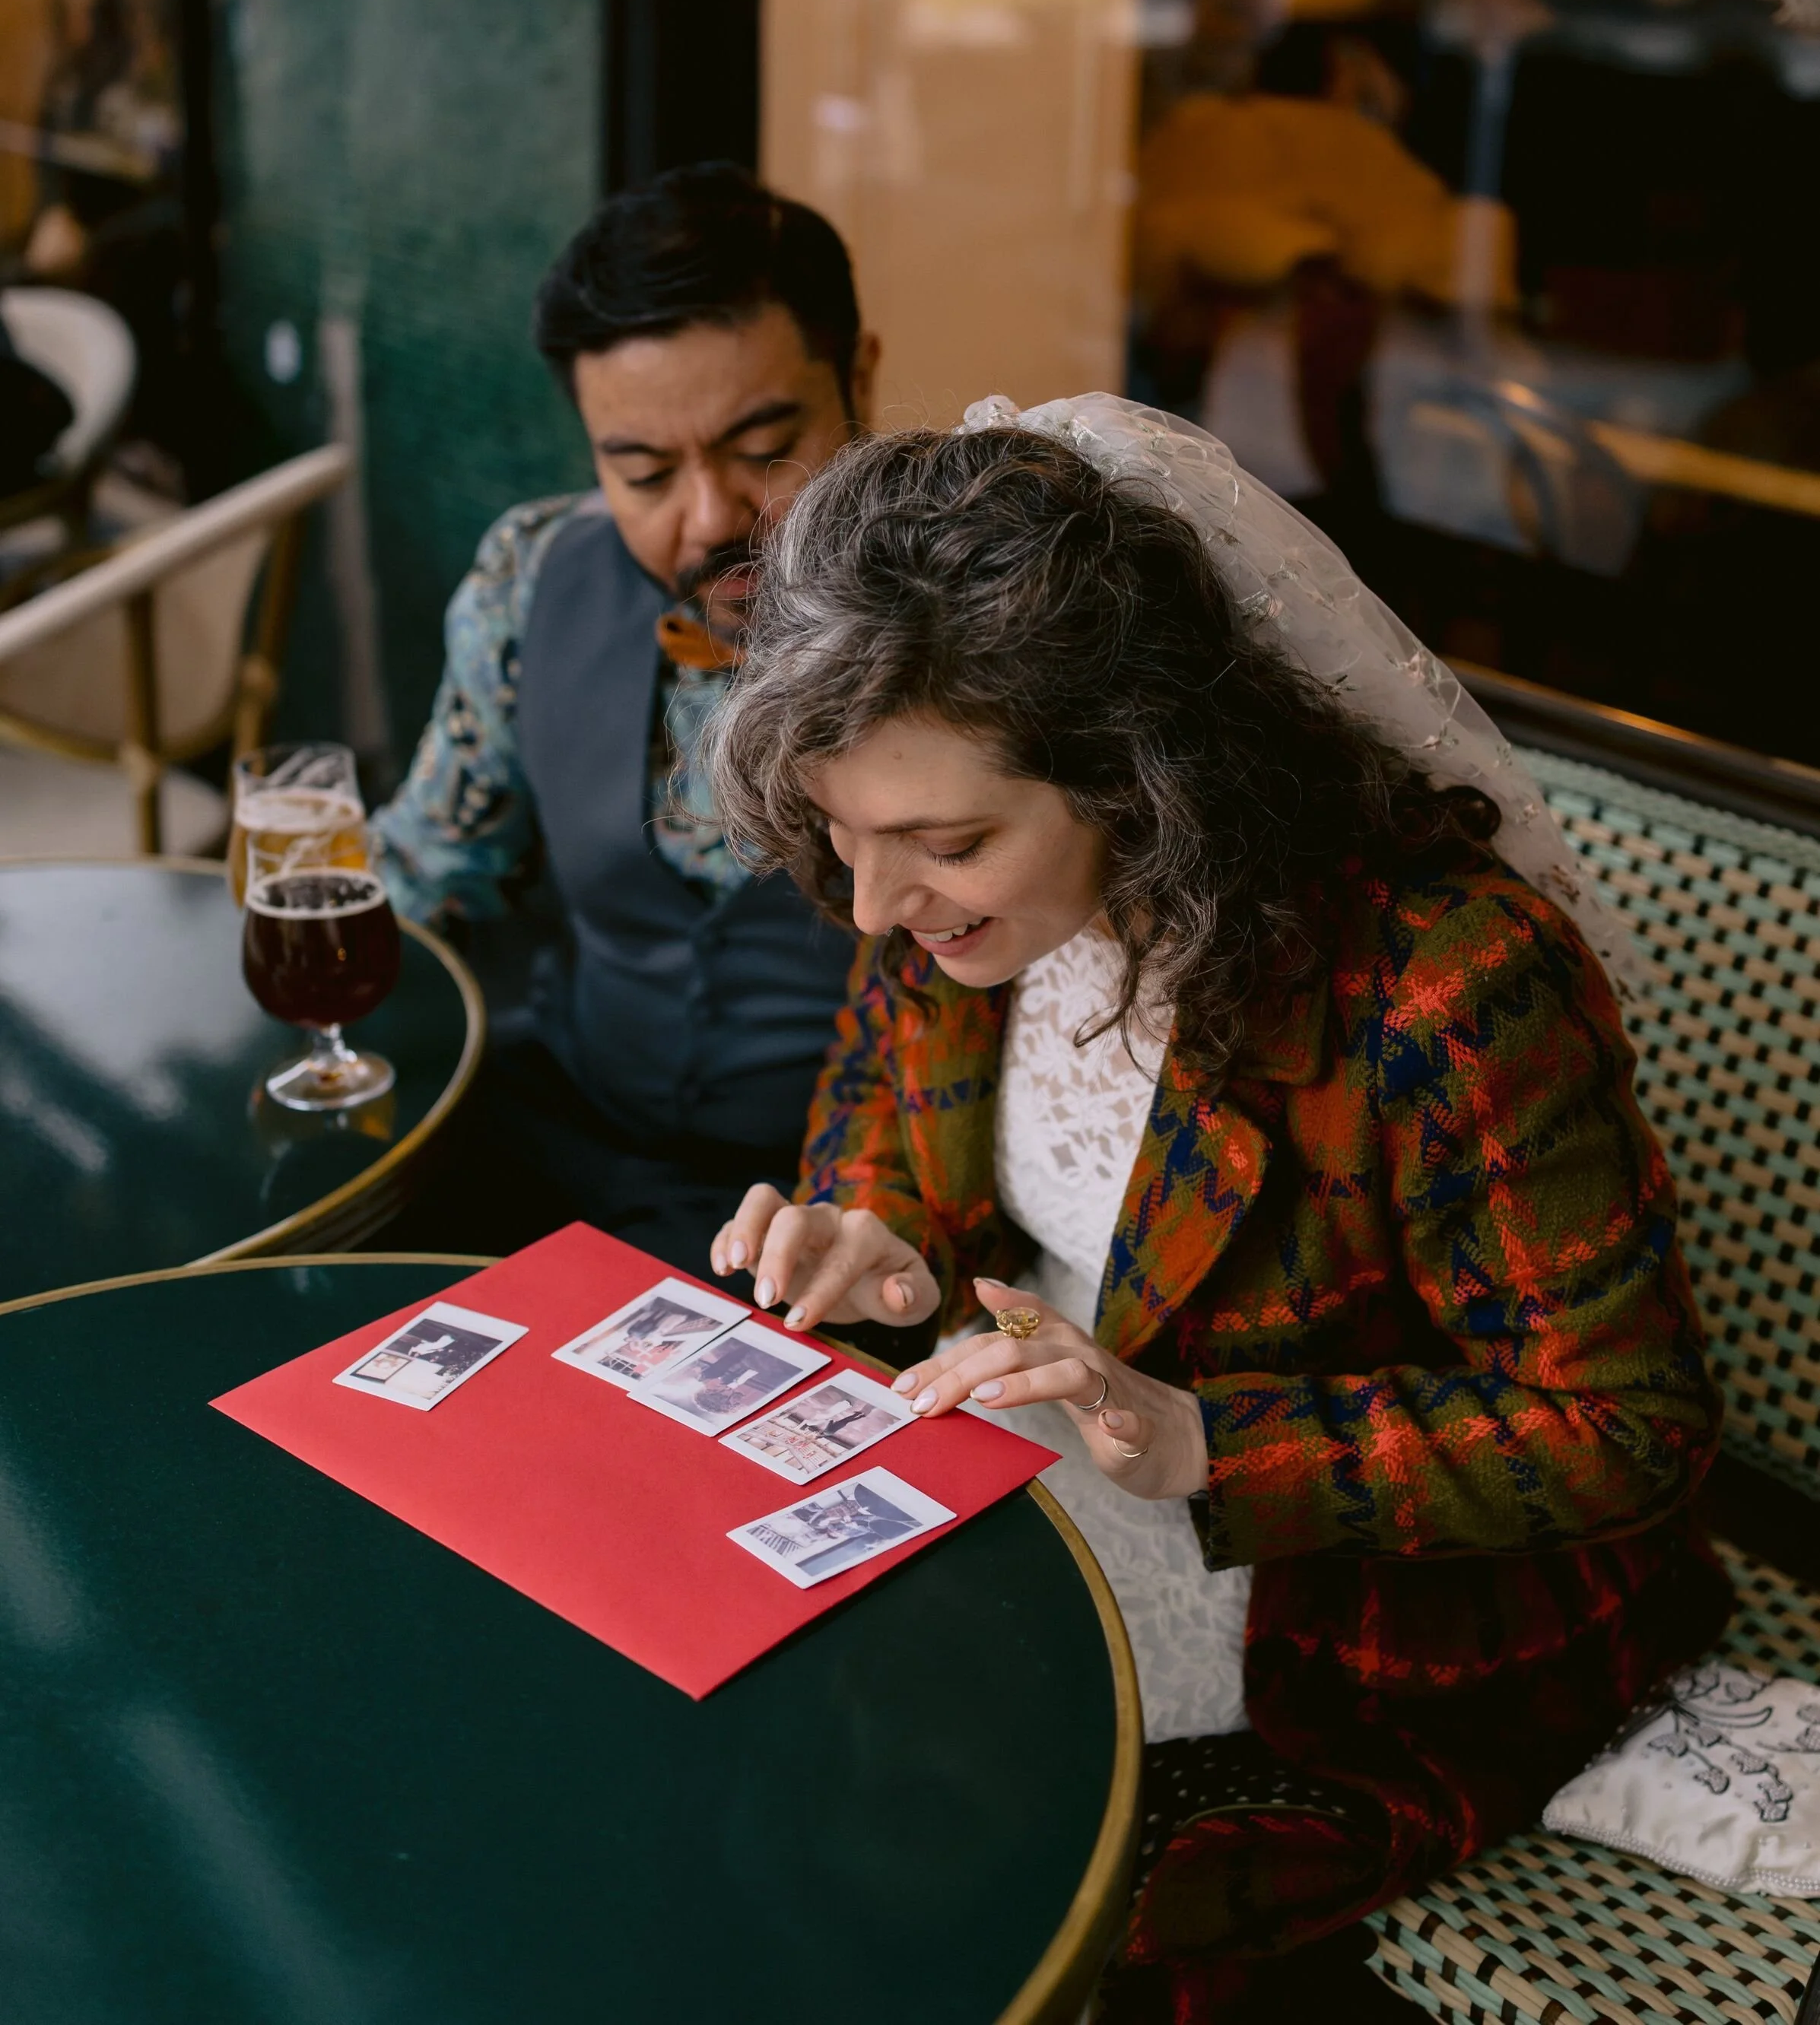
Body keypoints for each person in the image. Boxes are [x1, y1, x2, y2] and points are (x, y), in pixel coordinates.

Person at [703, 395, 1729, 2023]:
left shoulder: (1441, 984)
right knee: (728, 1722)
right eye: (840, 837)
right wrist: (885, 1246)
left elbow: (1625, 1431)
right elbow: (890, 1142)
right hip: (1024, 1458)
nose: (877, 906)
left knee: (918, 1853)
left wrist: (1201, 1446)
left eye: (941, 844)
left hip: (1339, 1600)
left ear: (1135, 775)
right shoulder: (943, 908)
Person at [372, 163, 878, 1278]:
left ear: (863, 377)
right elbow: (429, 864)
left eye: (763, 451)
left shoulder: (981, 630)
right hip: (548, 1131)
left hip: (822, 1220)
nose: (710, 518)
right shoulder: (531, 575)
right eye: (643, 471)